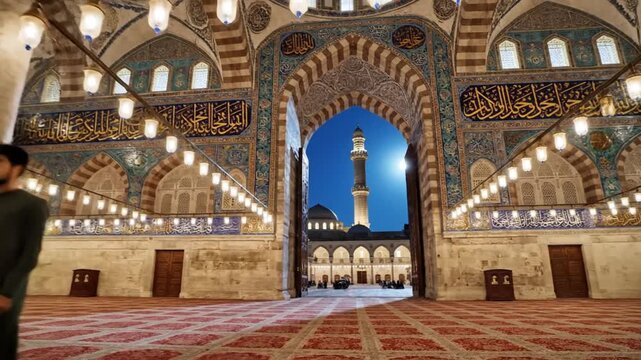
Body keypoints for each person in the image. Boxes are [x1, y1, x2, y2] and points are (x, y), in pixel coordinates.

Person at [0, 145, 49, 360]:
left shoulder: (32, 205)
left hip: (4, 286)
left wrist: (7, 292)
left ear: (16, 168)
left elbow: (29, 254)